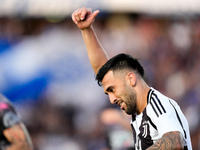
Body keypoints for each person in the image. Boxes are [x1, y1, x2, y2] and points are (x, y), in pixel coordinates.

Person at [71, 7, 193, 150]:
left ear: (130, 79)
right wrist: (87, 30)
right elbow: (103, 71)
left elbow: (174, 141)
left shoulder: (156, 104)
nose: (111, 99)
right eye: (108, 93)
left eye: (112, 90)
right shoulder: (138, 112)